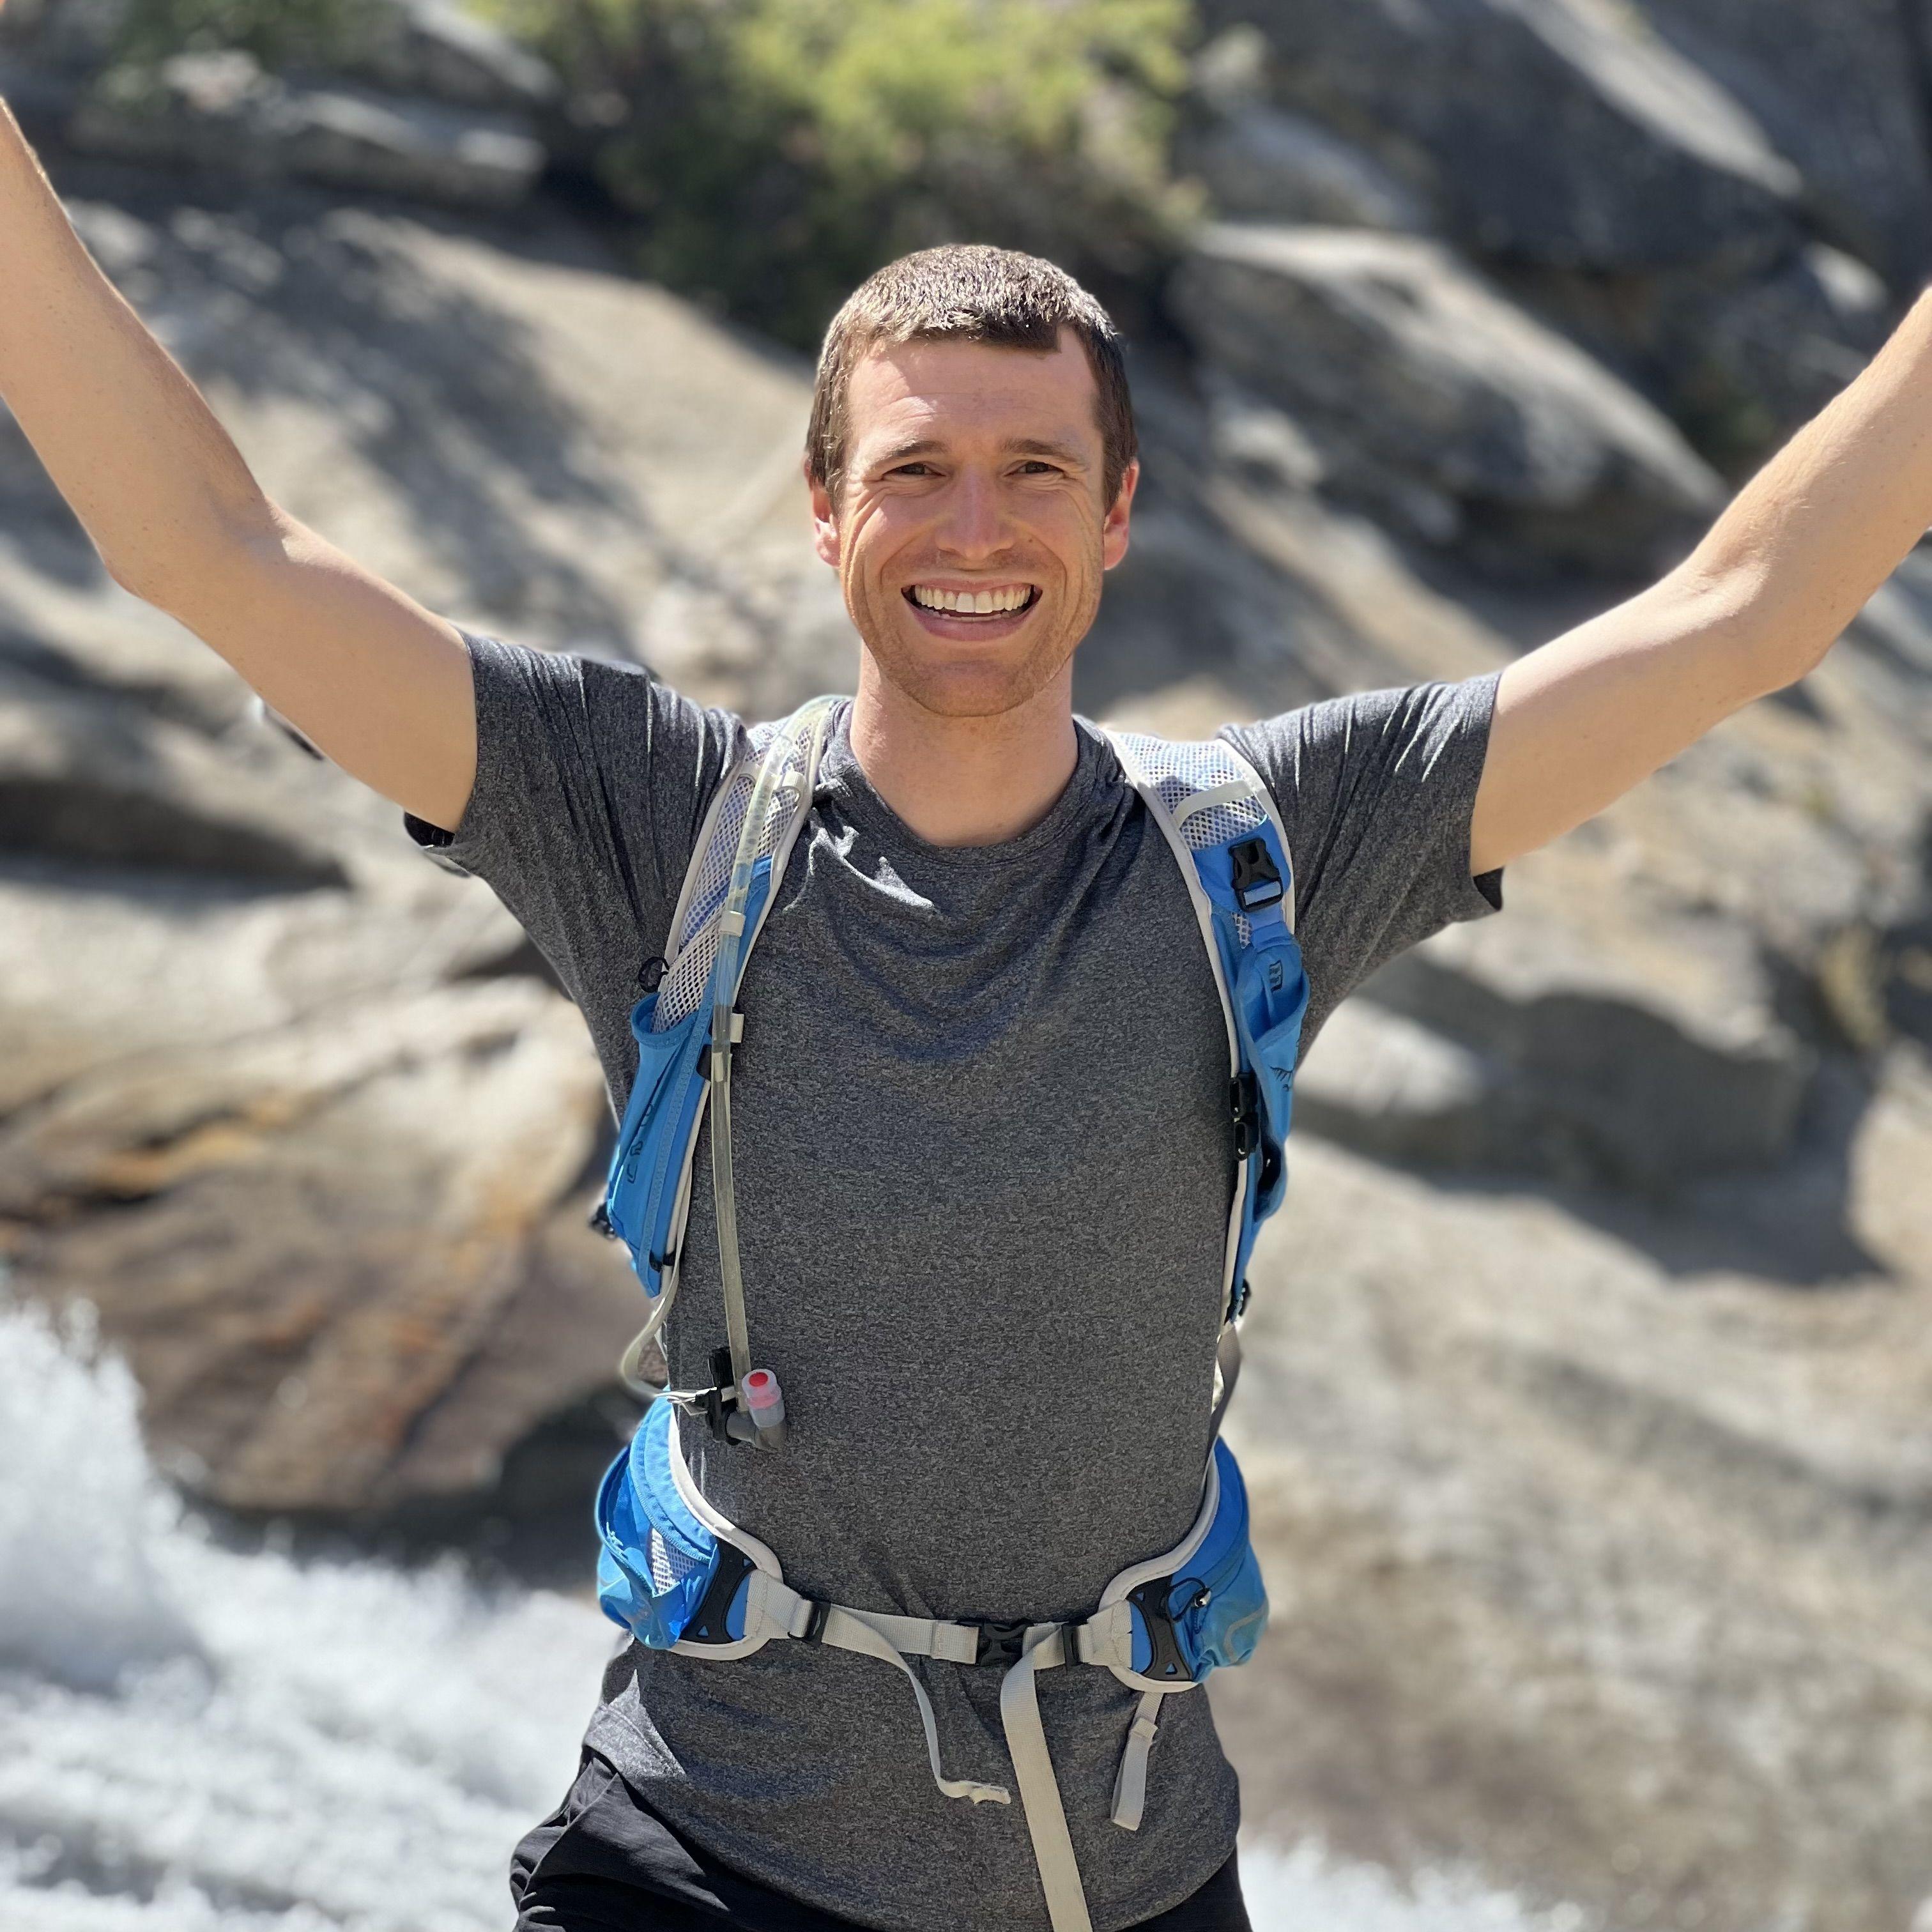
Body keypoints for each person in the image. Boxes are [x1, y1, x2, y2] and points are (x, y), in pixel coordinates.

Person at [4, 66, 1929, 1931]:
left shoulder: (1272, 854)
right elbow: (208, 551)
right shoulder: (653, 824)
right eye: (914, 471)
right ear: (825, 511)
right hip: (699, 1870)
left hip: (1131, 1883)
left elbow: (1742, 615)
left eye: (1036, 473)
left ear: (1117, 514)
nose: (976, 530)